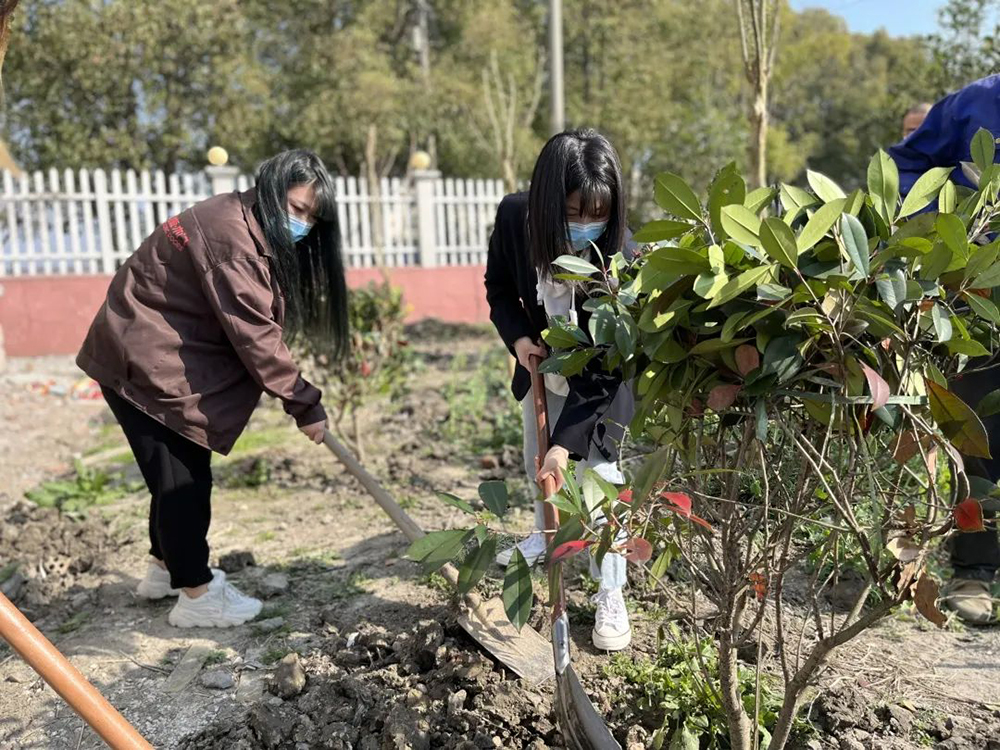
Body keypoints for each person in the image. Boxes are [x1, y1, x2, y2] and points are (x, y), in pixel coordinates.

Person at [77, 150, 348, 629]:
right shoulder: (234, 240)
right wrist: (304, 403)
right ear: (269, 190)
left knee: (173, 474)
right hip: (145, 361)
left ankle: (163, 570)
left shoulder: (235, 217)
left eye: (310, 215)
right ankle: (197, 595)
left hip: (142, 352)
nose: (301, 223)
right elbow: (256, 337)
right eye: (295, 207)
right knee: (183, 481)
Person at [484, 129, 635, 651]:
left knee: (599, 487)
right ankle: (544, 532)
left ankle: (609, 588)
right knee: (536, 460)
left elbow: (607, 367)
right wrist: (520, 338)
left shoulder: (620, 258)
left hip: (598, 386)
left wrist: (565, 445)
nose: (585, 226)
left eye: (597, 214)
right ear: (548, 204)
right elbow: (499, 287)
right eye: (572, 214)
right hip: (541, 368)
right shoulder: (513, 218)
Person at [888, 77, 1000, 624]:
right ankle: (973, 570)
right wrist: (947, 221)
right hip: (979, 294)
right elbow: (908, 168)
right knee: (976, 431)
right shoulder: (972, 105)